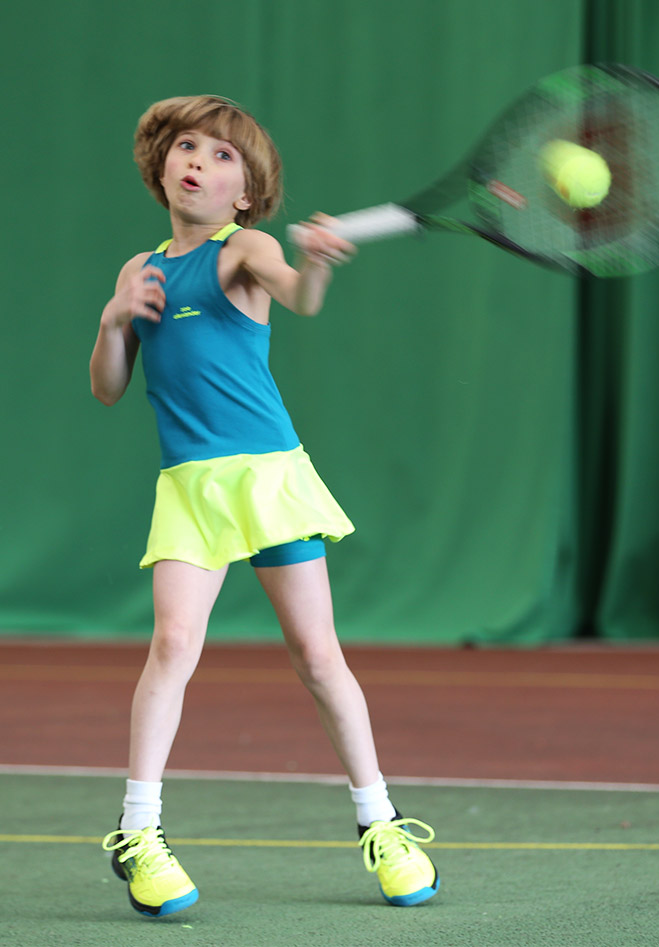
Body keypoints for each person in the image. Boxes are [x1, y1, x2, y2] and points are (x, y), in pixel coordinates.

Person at [91, 94, 439, 918]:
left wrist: (315, 263)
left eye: (222, 157)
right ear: (161, 166)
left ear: (245, 194)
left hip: (269, 476)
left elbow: (301, 297)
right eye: (187, 147)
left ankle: (381, 822)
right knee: (173, 642)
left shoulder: (244, 248)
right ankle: (138, 832)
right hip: (190, 485)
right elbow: (109, 386)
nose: (198, 162)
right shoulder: (139, 269)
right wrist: (111, 320)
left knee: (317, 654)